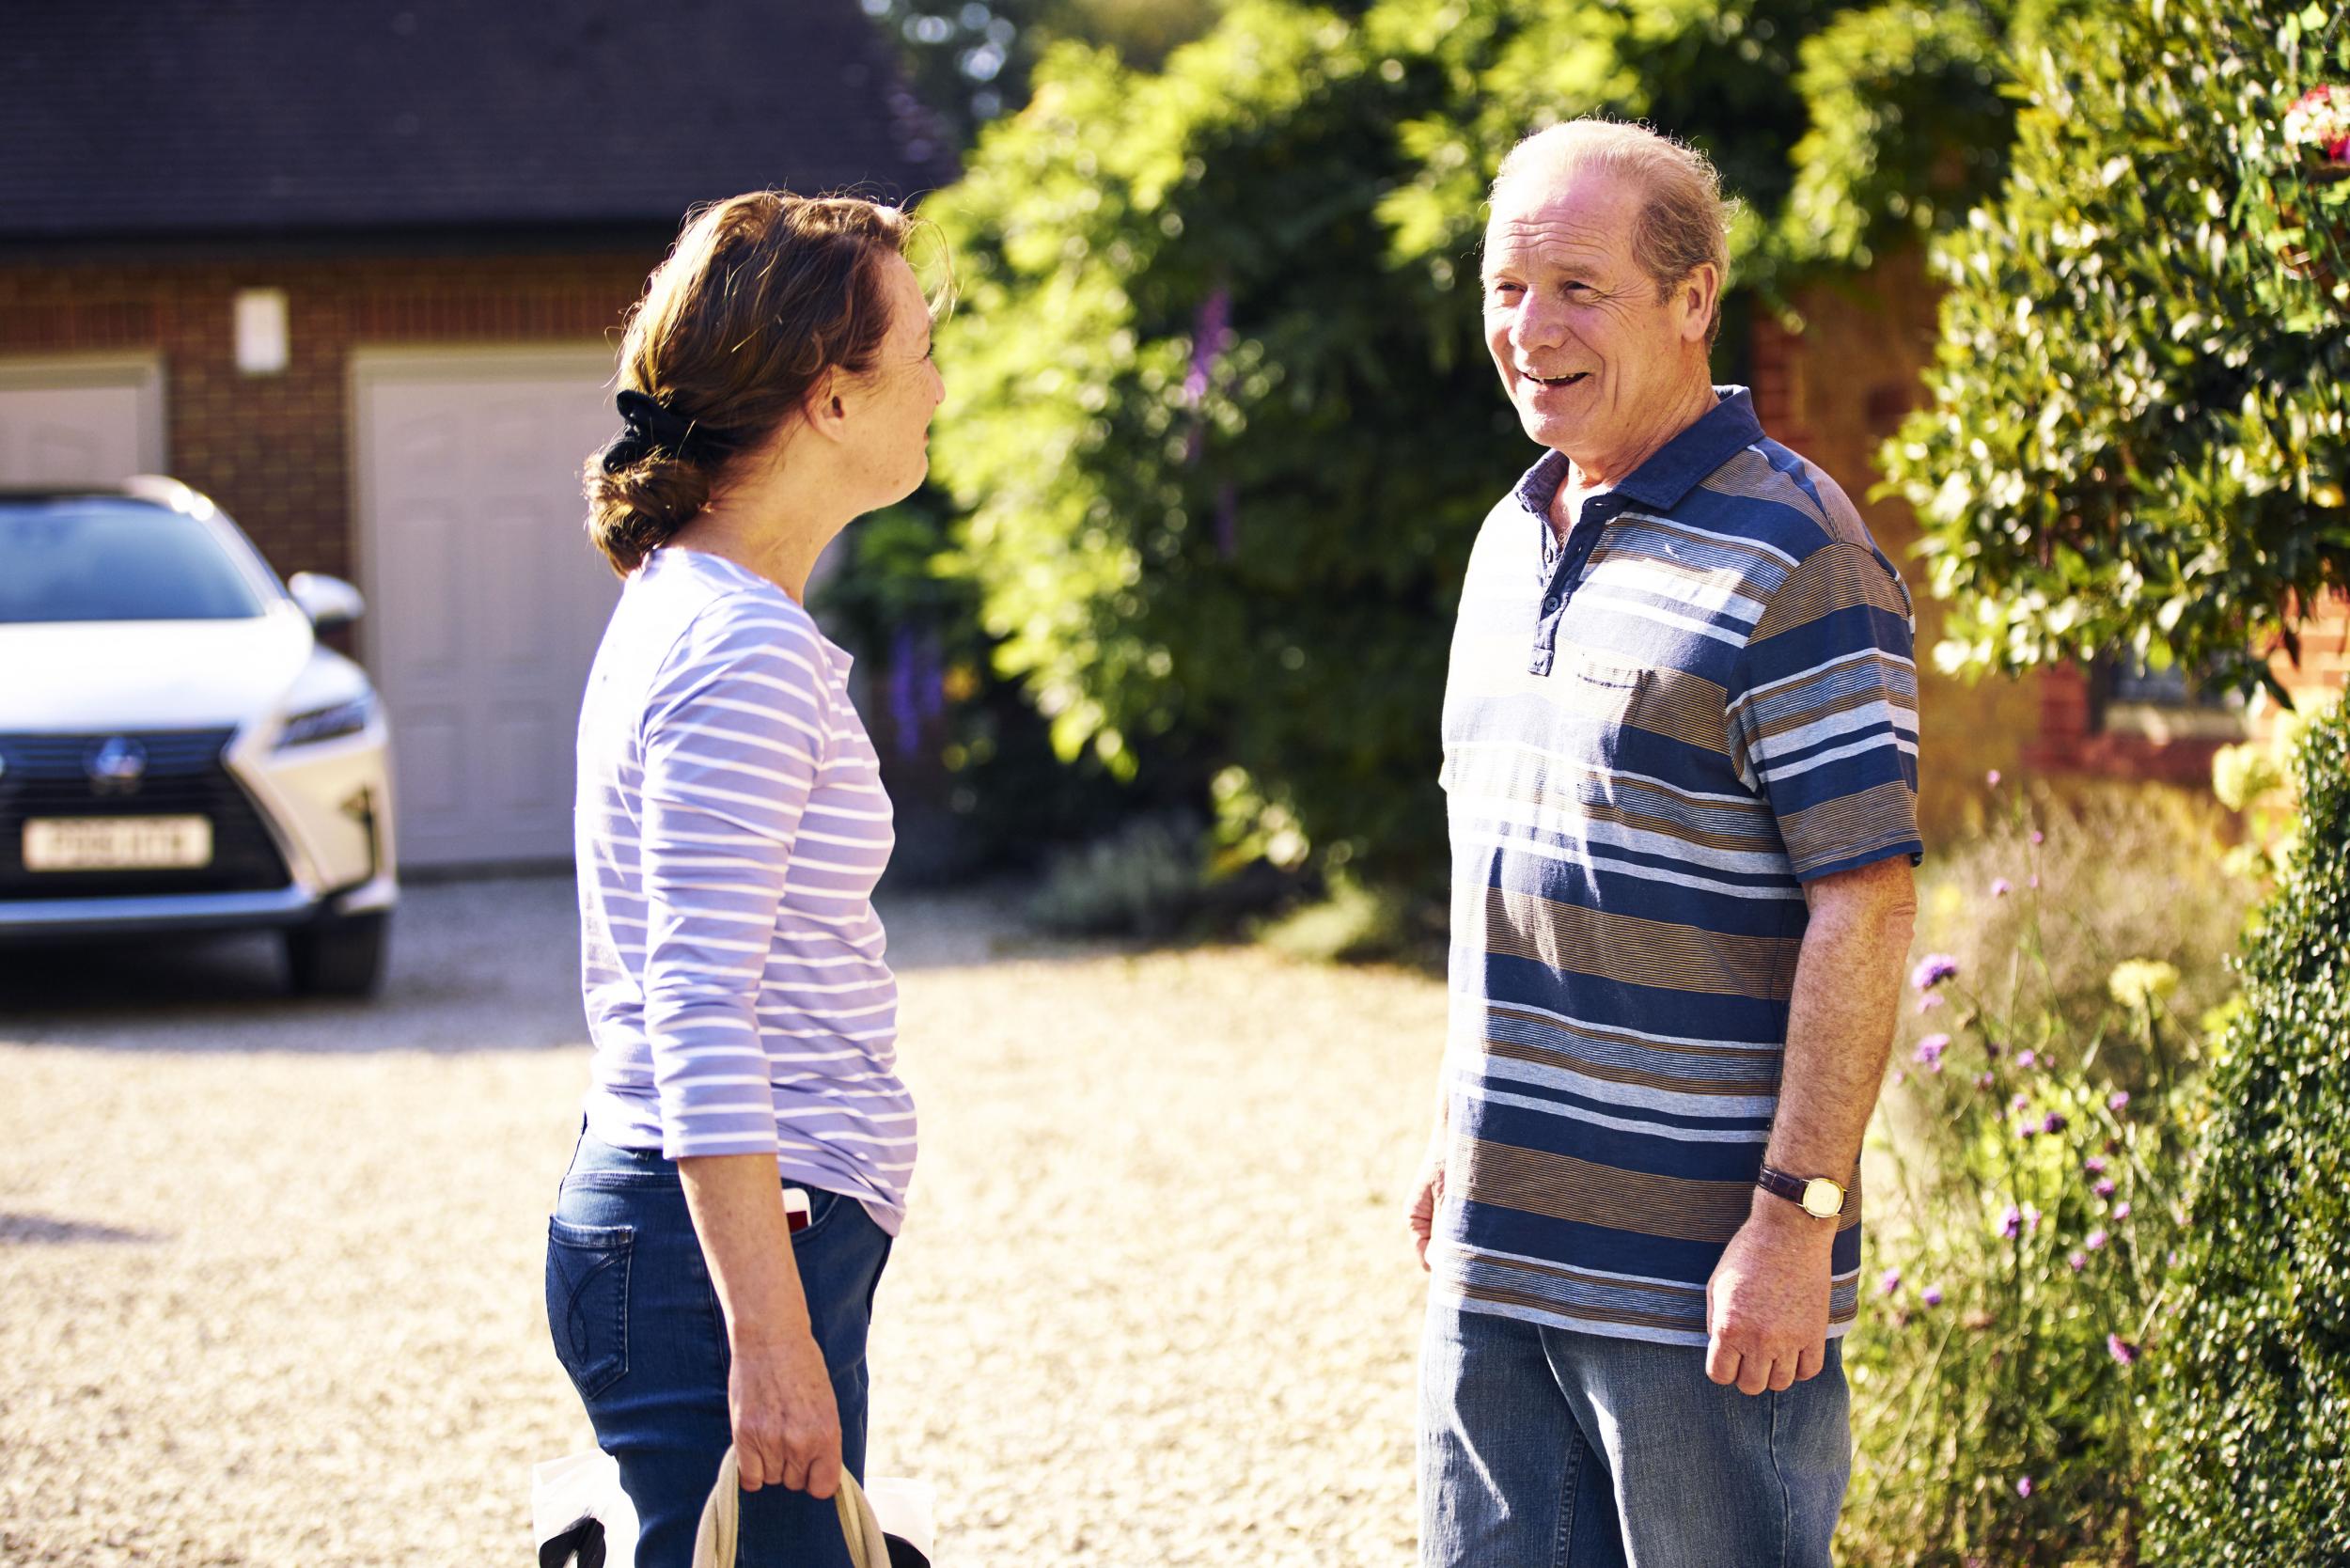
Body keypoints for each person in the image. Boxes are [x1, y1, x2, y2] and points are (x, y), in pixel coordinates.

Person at [1409, 119, 1922, 1567]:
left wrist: (1795, 1222)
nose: (1531, 330)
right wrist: (1455, 1125)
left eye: (1579, 287)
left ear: (1694, 302)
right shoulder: (1508, 542)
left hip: (1701, 1288)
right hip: (1495, 1259)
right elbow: (1505, 873)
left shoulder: (1799, 555)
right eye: (1507, 287)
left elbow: (1865, 909)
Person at [543, 190, 945, 1568]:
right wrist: (770, 1341)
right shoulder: (739, 647)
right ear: (832, 399)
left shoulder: (693, 603)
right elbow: (698, 1006)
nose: (941, 382)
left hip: (707, 1241)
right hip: (723, 1261)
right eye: (921, 347)